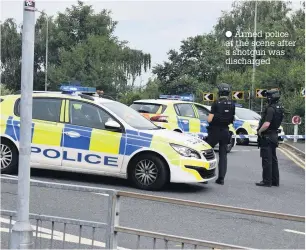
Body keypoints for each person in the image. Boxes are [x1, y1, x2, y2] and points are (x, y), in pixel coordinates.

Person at [206, 83, 236, 185]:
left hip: (214, 131)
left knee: (206, 152)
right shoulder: (232, 103)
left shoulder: (216, 103)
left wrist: (209, 117)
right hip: (225, 131)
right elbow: (233, 118)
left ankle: (205, 176)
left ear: (220, 92)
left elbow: (209, 120)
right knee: (223, 155)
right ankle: (221, 178)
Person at [256, 89, 284, 187]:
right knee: (273, 159)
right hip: (274, 135)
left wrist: (260, 131)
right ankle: (275, 181)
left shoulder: (270, 109)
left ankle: (267, 181)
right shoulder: (279, 108)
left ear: (270, 98)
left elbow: (266, 124)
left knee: (267, 159)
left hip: (267, 136)